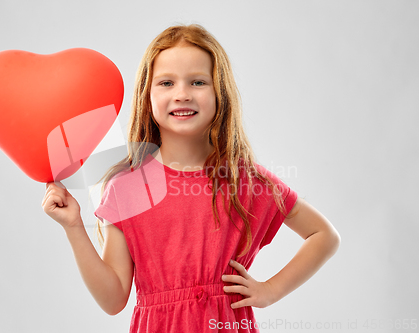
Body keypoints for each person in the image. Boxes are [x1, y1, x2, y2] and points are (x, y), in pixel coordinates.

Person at [42, 24, 340, 332]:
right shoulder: (127, 189)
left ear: (218, 92)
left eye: (197, 82)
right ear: (147, 95)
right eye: (167, 83)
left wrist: (271, 290)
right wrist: (74, 227)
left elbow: (324, 235)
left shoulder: (243, 180)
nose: (182, 94)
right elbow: (113, 299)